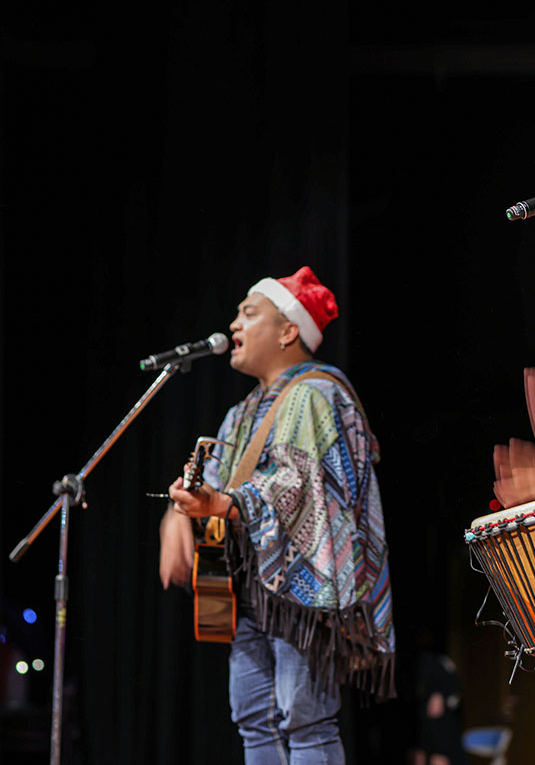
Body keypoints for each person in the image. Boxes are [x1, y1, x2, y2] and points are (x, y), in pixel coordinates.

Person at [159, 266, 395, 765]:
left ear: (289, 330)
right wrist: (180, 515)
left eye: (249, 313)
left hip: (301, 590)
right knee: (253, 720)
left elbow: (300, 485)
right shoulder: (241, 412)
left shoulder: (318, 393)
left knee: (305, 719)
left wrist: (224, 504)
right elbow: (215, 484)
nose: (235, 326)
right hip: (250, 590)